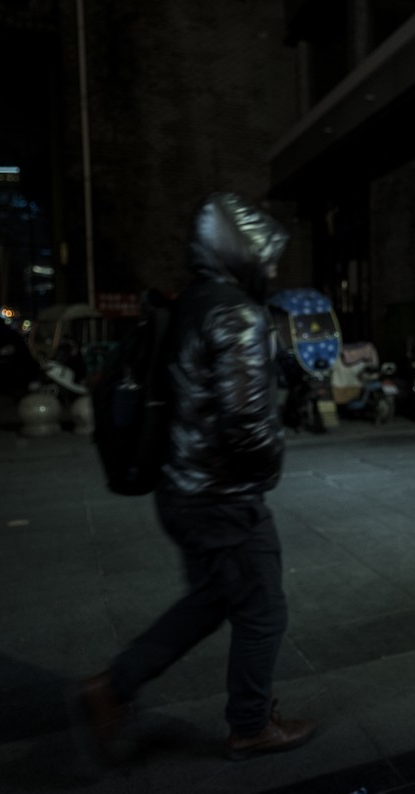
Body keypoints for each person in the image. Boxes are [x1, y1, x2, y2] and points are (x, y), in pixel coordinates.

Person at [73, 192, 316, 763]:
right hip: (222, 495)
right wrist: (268, 470)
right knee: (262, 610)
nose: (273, 268)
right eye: (266, 255)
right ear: (241, 253)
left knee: (212, 601)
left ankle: (112, 689)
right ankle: (250, 725)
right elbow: (247, 420)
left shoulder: (190, 303)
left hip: (181, 488)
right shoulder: (236, 313)